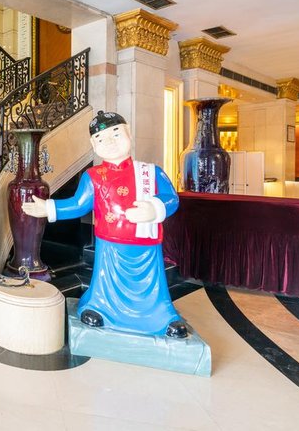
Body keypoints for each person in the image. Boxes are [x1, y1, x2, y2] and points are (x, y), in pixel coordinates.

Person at [22, 111, 188, 338]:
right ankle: (100, 307)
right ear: (93, 145)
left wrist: (155, 208)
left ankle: (161, 316)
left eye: (116, 134)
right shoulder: (93, 176)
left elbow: (172, 198)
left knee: (151, 285)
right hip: (110, 246)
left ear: (129, 133)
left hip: (145, 246)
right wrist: (50, 208)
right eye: (100, 138)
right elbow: (79, 204)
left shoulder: (150, 173)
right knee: (105, 283)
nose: (109, 142)